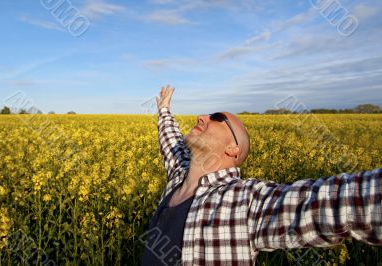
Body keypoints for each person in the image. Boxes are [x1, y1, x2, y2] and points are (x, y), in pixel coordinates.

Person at [141, 85, 382, 266]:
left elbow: (330, 203)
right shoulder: (178, 175)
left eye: (217, 118)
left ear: (233, 149)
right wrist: (164, 110)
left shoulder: (242, 201)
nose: (202, 116)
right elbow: (170, 140)